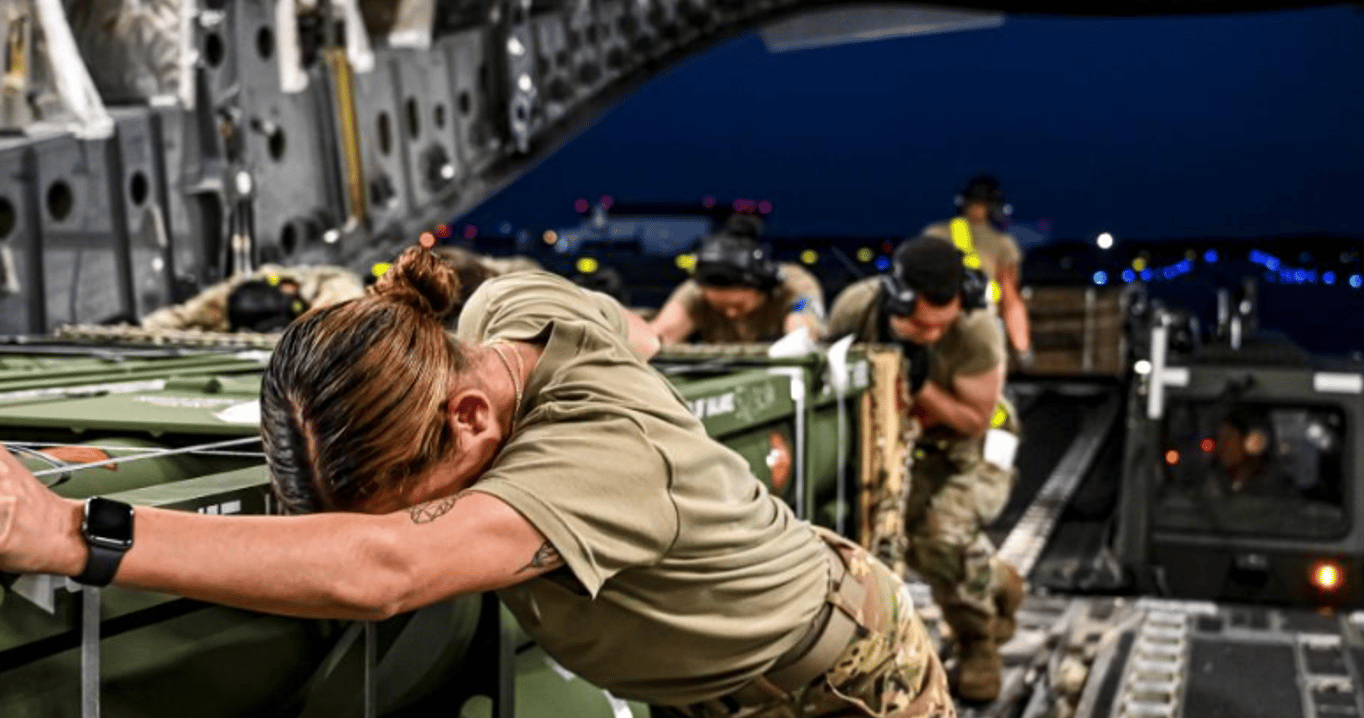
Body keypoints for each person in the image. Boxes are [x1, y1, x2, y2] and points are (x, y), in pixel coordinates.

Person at [0, 245, 953, 718]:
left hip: (841, 682)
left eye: (423, 501)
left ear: (468, 418)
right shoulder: (509, 309)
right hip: (714, 677)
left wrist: (68, 533)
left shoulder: (597, 461)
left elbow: (382, 570)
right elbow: (636, 327)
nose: (425, 518)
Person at [825, 236, 1024, 703]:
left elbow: (973, 419)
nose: (933, 334)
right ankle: (996, 579)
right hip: (897, 443)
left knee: (940, 538)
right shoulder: (859, 308)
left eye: (941, 327)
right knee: (886, 539)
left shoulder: (977, 329)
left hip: (973, 448)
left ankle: (978, 643)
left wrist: (912, 376)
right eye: (920, 325)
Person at [651, 215, 826, 345]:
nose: (730, 314)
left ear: (763, 290)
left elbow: (803, 319)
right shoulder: (696, 292)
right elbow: (663, 333)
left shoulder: (793, 285)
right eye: (720, 307)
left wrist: (798, 330)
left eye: (738, 305)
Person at [922, 176, 1031, 359]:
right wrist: (1022, 346)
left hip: (937, 328)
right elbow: (1009, 296)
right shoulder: (1002, 243)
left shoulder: (935, 234)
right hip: (982, 327)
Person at [141, 264, 365, 333]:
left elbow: (342, 304)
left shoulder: (338, 287)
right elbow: (184, 316)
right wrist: (142, 328)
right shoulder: (256, 284)